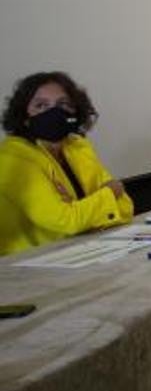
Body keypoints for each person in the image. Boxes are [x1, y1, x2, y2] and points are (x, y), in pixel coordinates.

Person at [0, 72, 134, 256]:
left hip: (82, 252)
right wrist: (109, 192)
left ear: (75, 112)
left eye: (63, 104)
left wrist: (83, 211)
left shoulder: (77, 146)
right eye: (41, 105)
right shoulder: (13, 156)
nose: (53, 113)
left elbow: (125, 208)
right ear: (24, 116)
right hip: (26, 267)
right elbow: (66, 221)